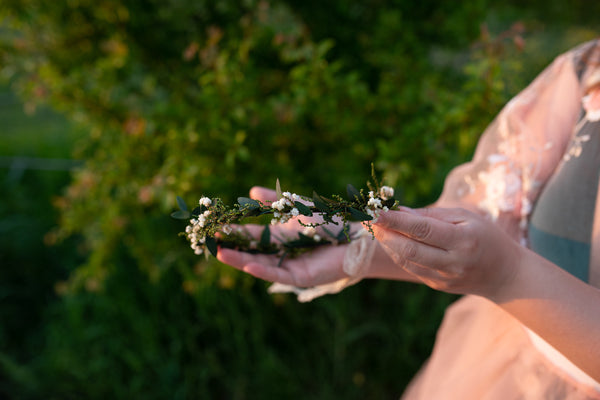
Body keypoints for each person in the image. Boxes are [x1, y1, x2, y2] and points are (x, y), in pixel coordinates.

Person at [217, 38, 600, 399]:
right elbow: (497, 215)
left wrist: (508, 276)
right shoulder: (589, 70)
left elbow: (501, 262)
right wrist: (359, 244)